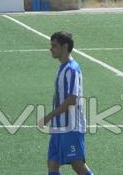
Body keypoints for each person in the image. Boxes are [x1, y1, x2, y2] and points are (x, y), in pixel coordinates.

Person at [38, 31, 94, 175]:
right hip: (59, 128)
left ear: (65, 46)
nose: (51, 48)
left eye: (54, 45)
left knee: (77, 165)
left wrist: (49, 116)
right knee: (52, 163)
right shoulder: (62, 67)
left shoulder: (72, 69)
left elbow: (71, 99)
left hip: (71, 127)